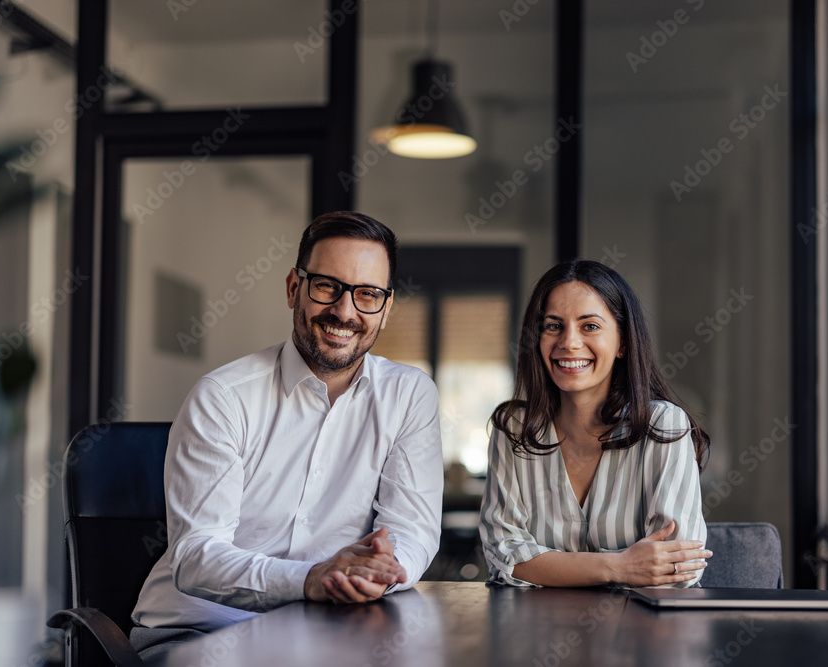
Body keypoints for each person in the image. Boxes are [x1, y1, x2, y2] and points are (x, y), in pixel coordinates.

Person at [130, 211, 443, 655]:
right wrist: (311, 579)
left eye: (368, 294)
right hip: (200, 633)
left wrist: (381, 572)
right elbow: (197, 557)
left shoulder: (410, 395)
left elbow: (412, 531)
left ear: (386, 308)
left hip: (328, 634)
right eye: (327, 286)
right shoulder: (222, 397)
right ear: (295, 288)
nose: (344, 311)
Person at [478, 259, 711, 588]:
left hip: (644, 632)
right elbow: (506, 557)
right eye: (553, 326)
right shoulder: (514, 428)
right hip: (537, 631)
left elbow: (677, 568)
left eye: (589, 326)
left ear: (623, 343)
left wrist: (547, 565)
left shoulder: (665, 426)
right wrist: (618, 566)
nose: (569, 342)